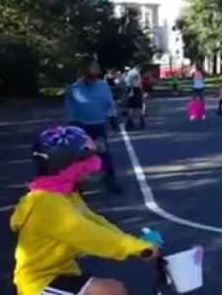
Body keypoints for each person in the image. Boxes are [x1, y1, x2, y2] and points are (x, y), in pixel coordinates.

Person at [11, 126, 160, 295]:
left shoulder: (62, 193)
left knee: (114, 289)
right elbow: (92, 236)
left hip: (59, 273)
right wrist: (138, 249)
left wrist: (135, 243)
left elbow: (93, 220)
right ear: (67, 167)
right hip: (39, 284)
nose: (90, 171)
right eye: (85, 166)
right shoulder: (49, 205)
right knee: (109, 291)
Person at [64, 58, 122, 194]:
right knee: (79, 157)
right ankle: (77, 185)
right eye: (93, 66)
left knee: (103, 154)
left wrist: (113, 121)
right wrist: (71, 126)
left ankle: (110, 180)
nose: (97, 68)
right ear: (86, 69)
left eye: (97, 66)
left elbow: (110, 104)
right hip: (81, 127)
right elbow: (70, 109)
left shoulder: (103, 86)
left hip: (98, 125)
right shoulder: (74, 88)